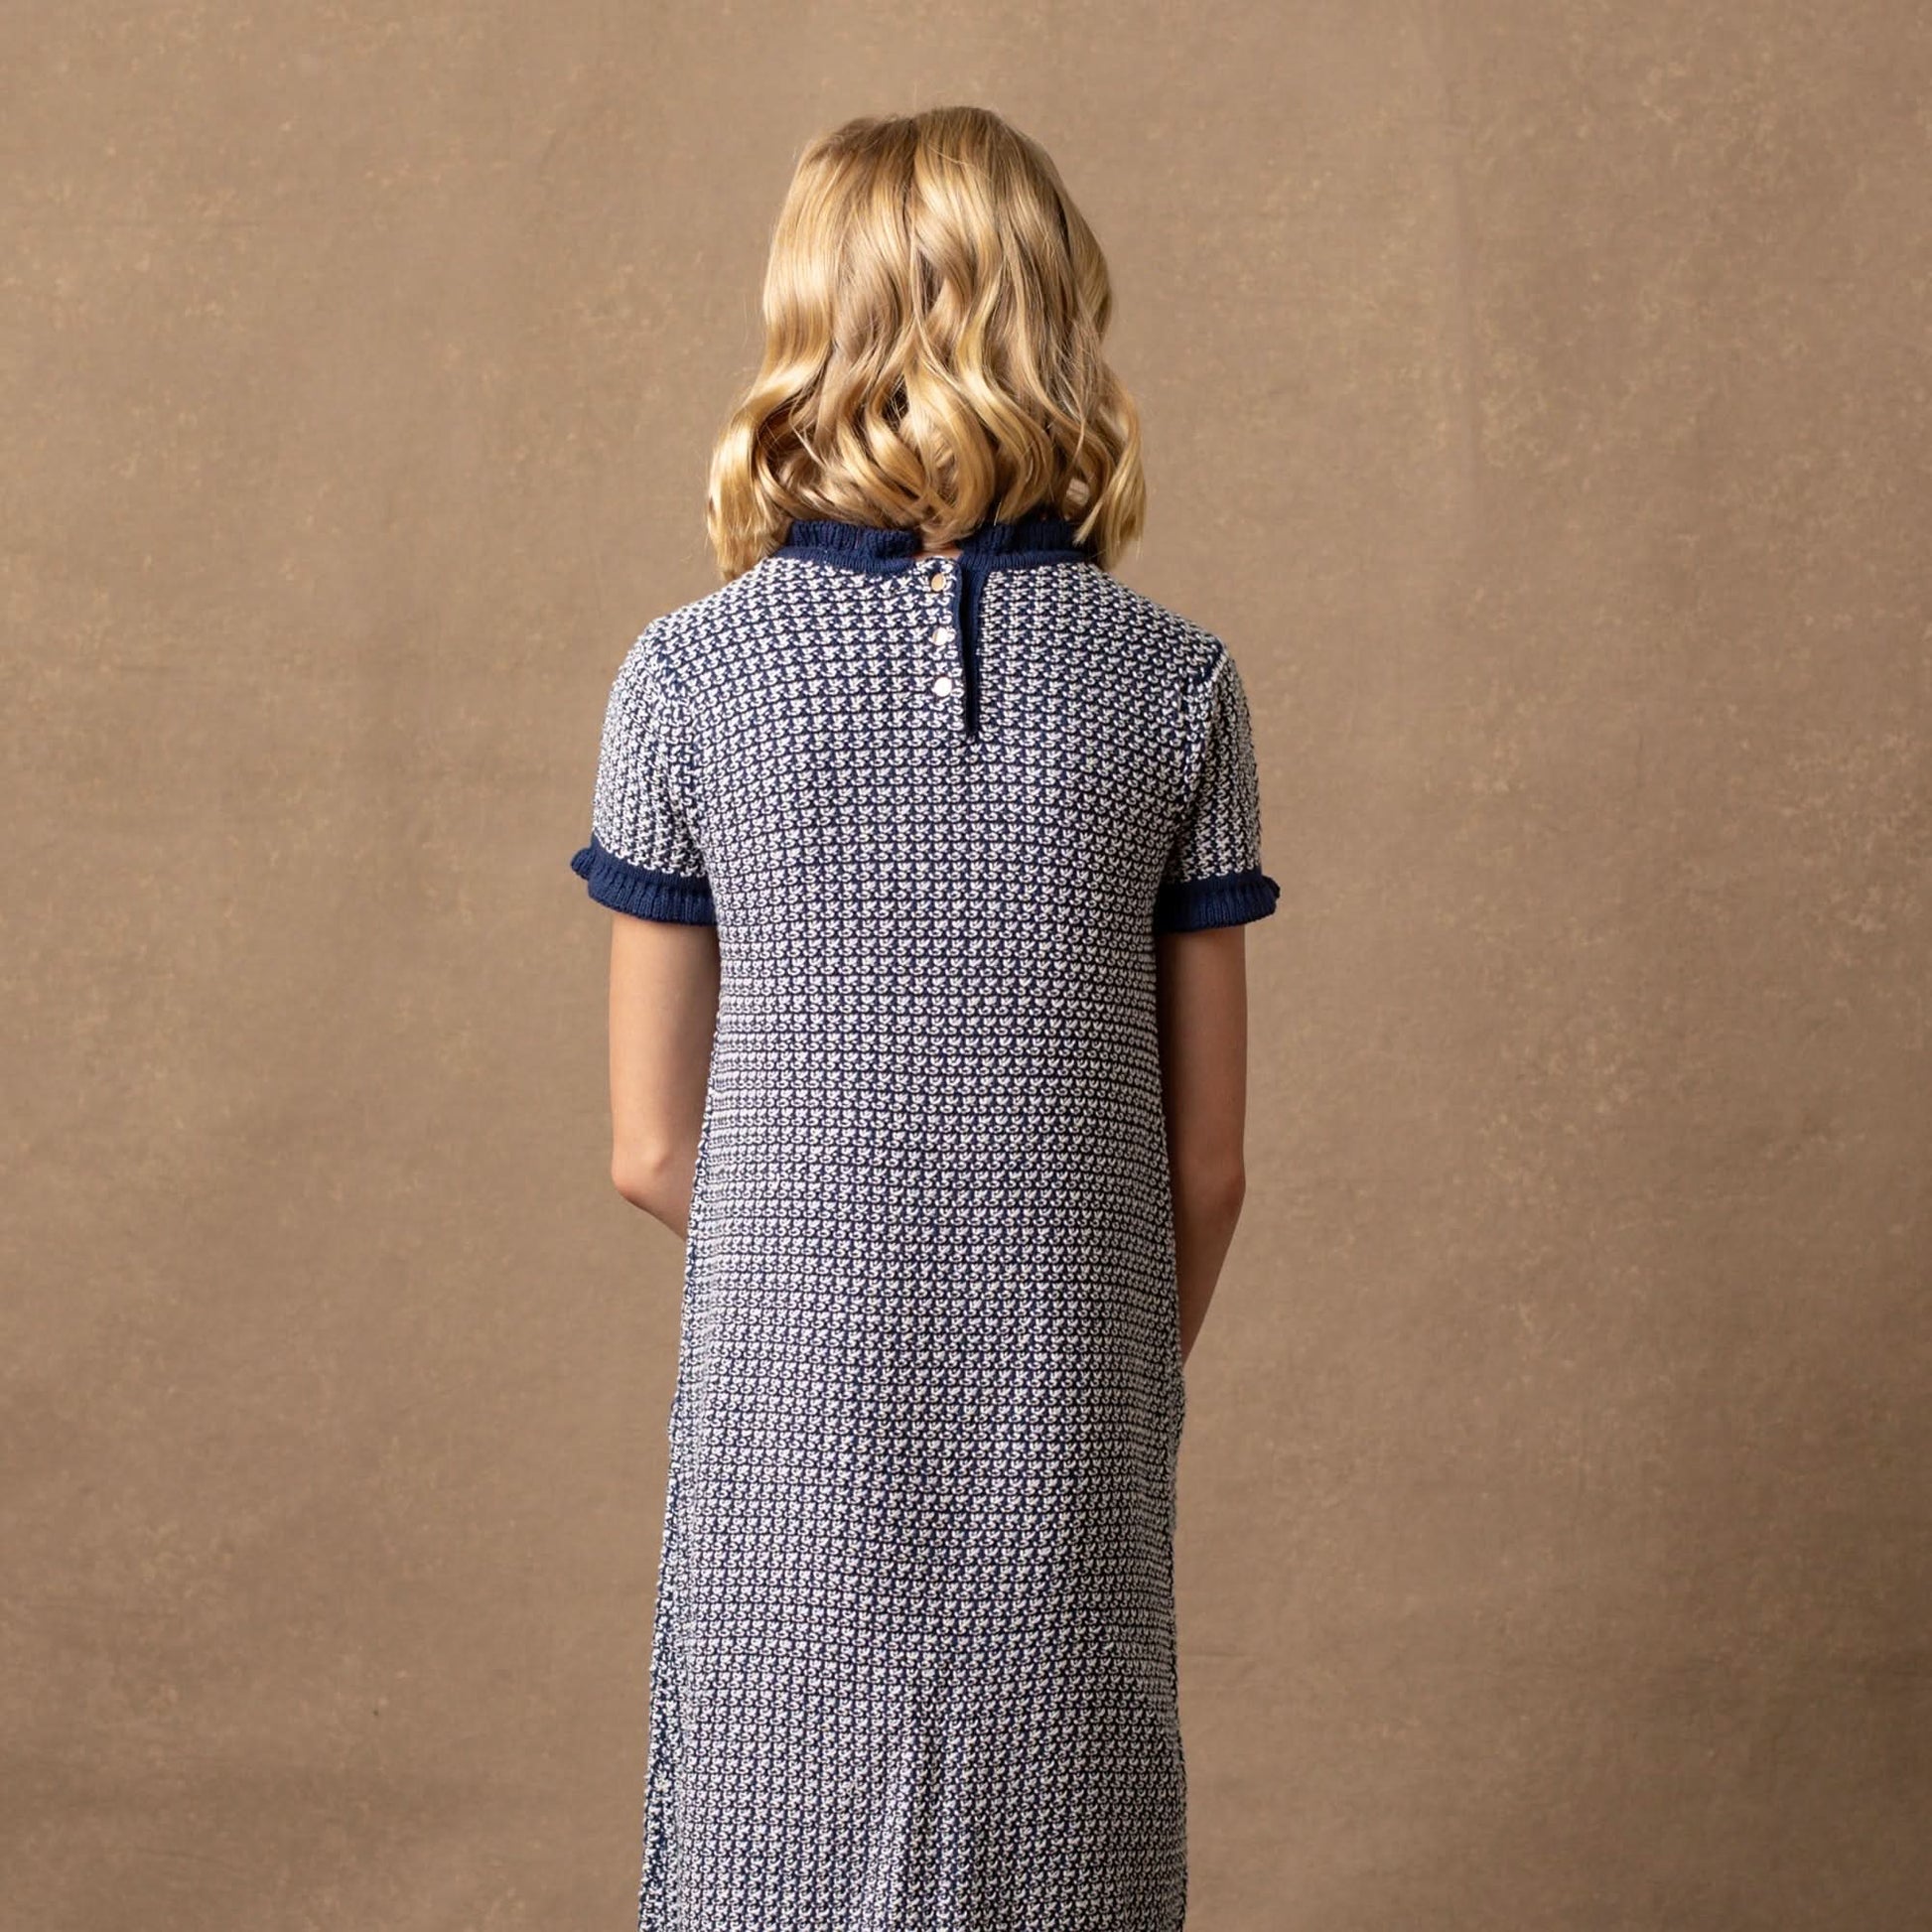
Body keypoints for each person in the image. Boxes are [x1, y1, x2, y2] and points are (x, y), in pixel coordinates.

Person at [569, 103, 1280, 1932]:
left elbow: (650, 1145)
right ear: (1055, 317)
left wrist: (852, 1303)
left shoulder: (683, 680)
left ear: (808, 319)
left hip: (791, 1437)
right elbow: (1204, 1166)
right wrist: (1069, 1364)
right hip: (1067, 1426)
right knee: (1070, 1868)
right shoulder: (1176, 686)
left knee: (772, 1863)